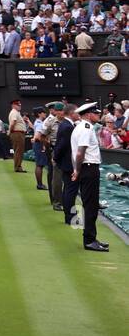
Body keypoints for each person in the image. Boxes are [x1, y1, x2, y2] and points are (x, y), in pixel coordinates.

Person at [70, 101, 109, 251]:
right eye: (96, 113)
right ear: (88, 114)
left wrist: (76, 169)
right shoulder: (86, 128)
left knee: (90, 204)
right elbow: (80, 152)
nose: (98, 115)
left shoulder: (80, 127)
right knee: (91, 205)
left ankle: (91, 238)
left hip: (86, 168)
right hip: (88, 168)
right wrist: (78, 170)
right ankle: (89, 240)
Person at [51, 102, 75, 213]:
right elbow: (62, 145)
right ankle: (60, 204)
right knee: (62, 182)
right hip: (62, 156)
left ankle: (65, 206)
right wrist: (55, 157)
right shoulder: (67, 126)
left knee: (67, 185)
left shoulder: (66, 124)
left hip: (61, 155)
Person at [7, 98, 28, 173]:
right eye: (17, 105)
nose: (19, 106)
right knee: (18, 150)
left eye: (19, 104)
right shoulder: (14, 112)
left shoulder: (16, 112)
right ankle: (18, 167)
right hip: (17, 133)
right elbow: (13, 122)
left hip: (18, 133)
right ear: (13, 105)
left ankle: (18, 166)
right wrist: (10, 131)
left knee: (19, 150)